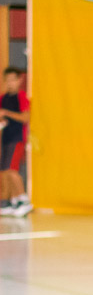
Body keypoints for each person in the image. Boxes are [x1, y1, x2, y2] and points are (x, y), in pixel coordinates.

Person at [0, 66, 31, 217]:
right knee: (5, 171)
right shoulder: (3, 98)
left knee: (12, 170)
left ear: (19, 80)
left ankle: (23, 200)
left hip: (17, 139)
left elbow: (25, 118)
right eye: (7, 80)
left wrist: (7, 113)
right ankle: (13, 201)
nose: (10, 83)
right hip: (6, 139)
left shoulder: (21, 97)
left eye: (13, 80)